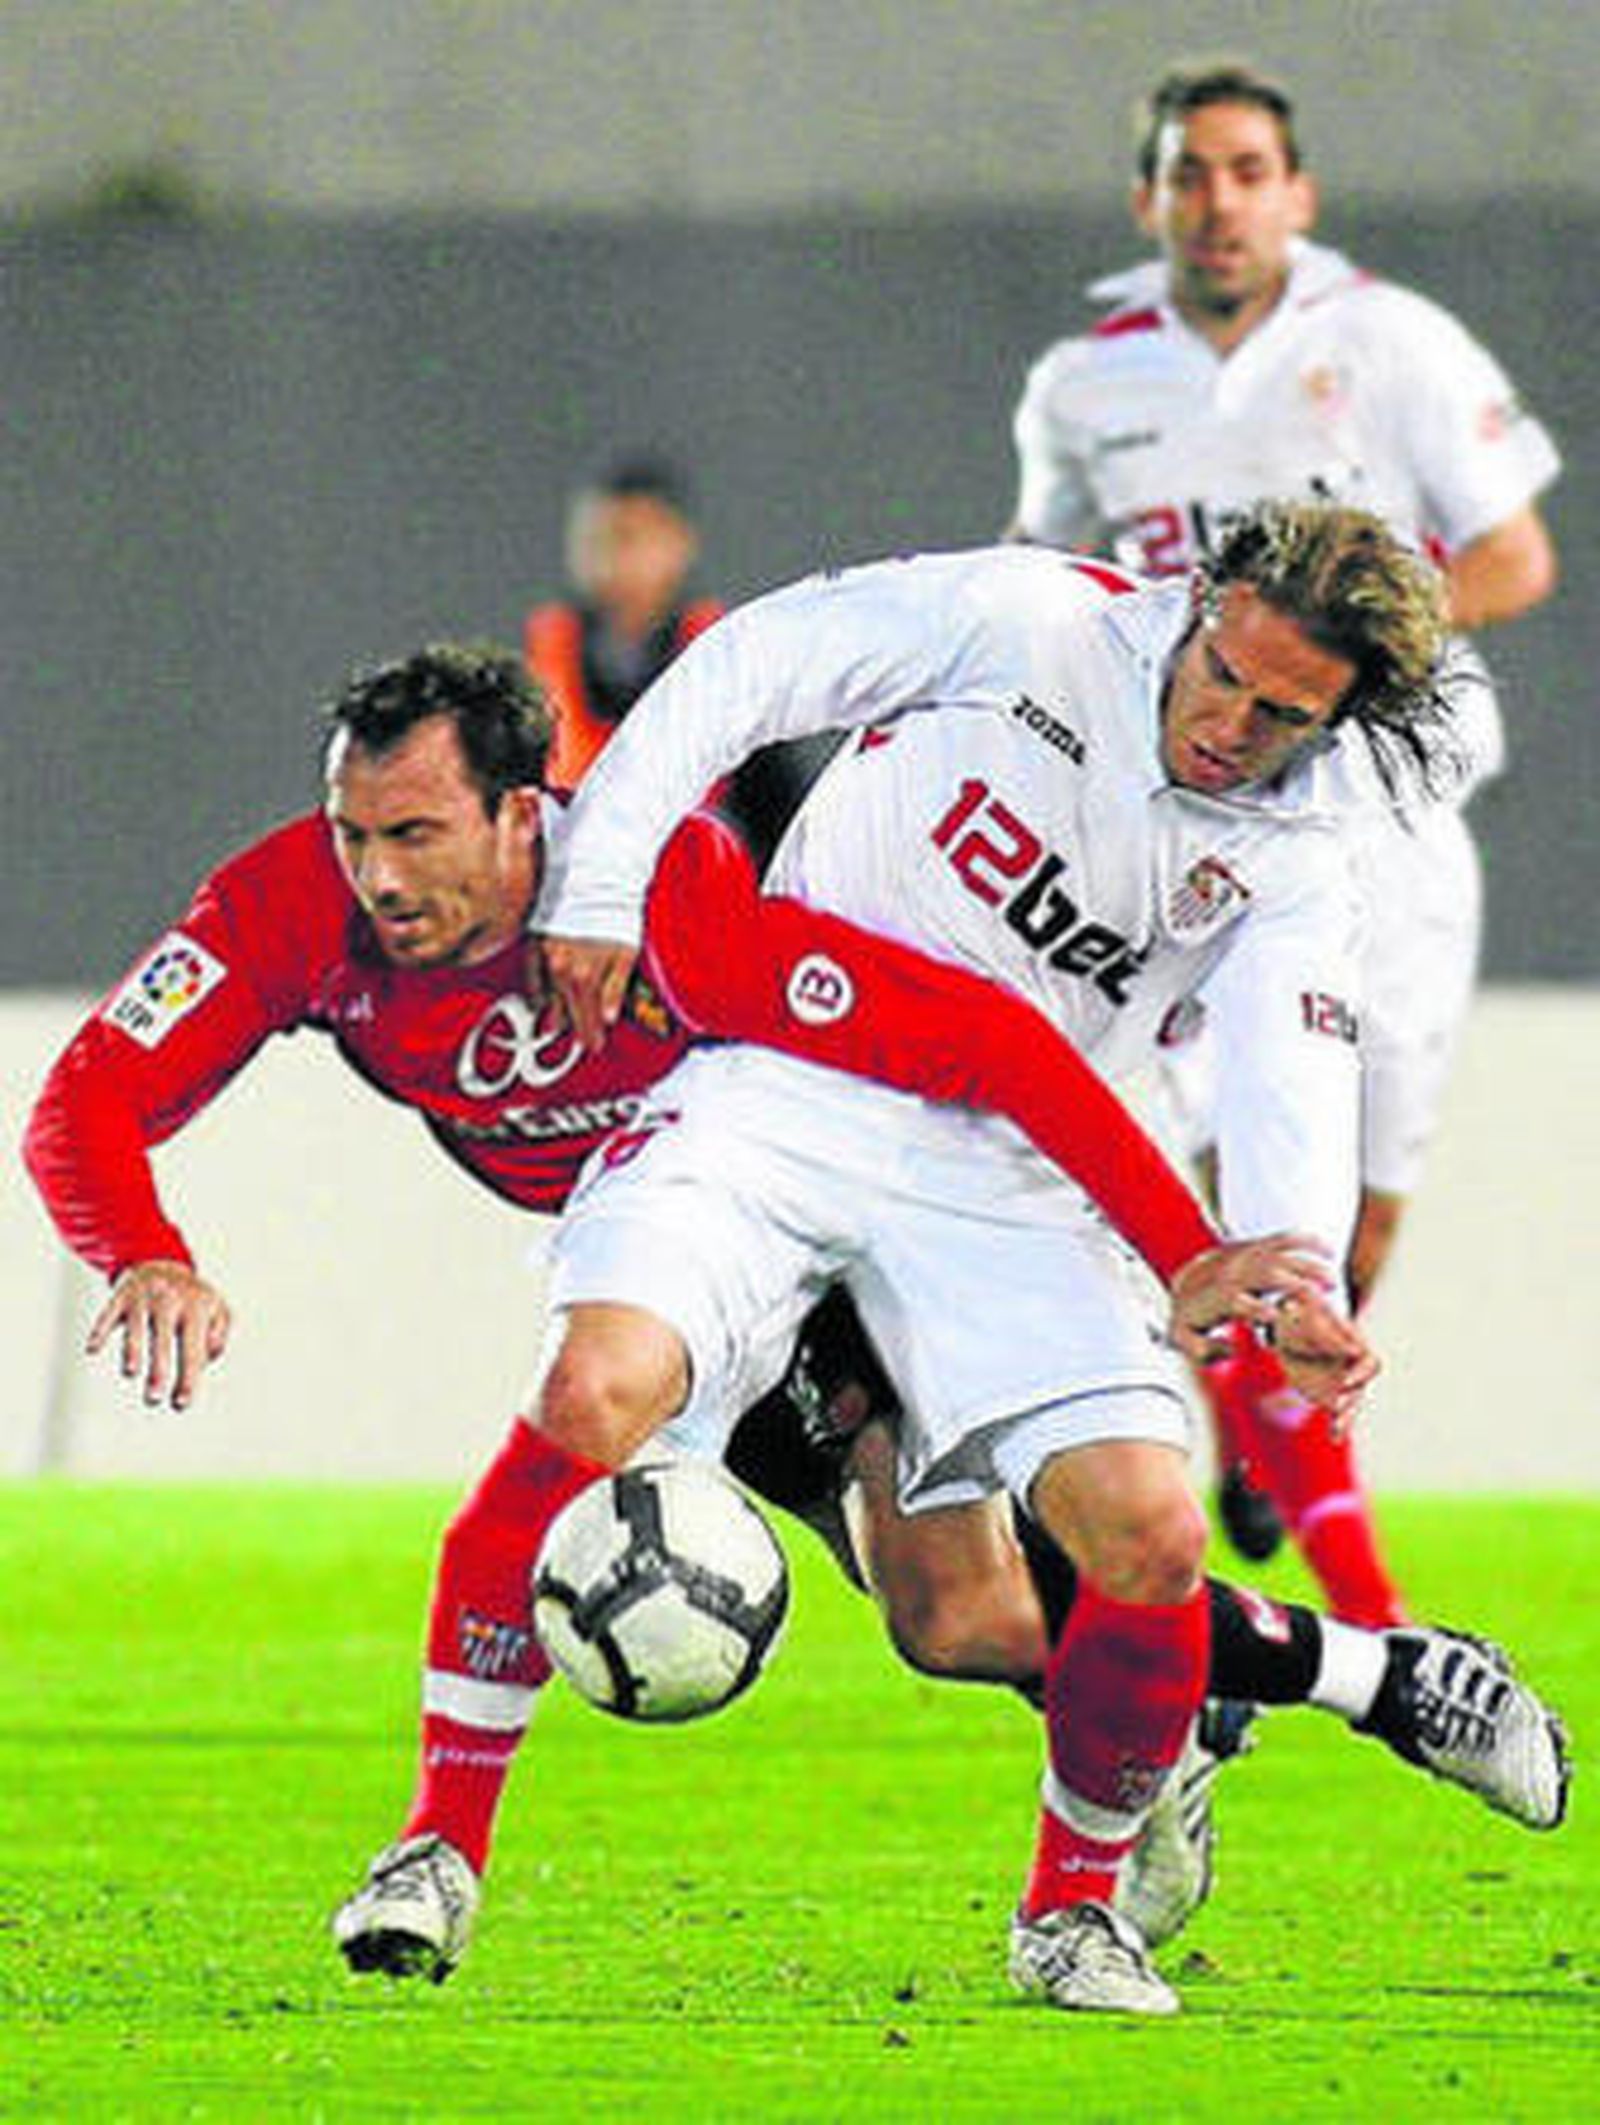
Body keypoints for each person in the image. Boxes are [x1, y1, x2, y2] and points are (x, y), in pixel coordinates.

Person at [23, 628, 1565, 2012]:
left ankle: (1356, 1684)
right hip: (688, 1259)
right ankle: (1307, 1688)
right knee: (941, 1612)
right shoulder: (291, 906)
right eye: (358, 832)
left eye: (417, 834)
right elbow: (87, 1099)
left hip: (832, 1215)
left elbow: (982, 1042)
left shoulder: (671, 901)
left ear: (525, 815)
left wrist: (1187, 1251)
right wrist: (144, 1247)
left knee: (985, 1579)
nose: (381, 876)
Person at [442, 498, 1561, 2018]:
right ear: (1203, 603)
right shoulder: (1030, 618)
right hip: (786, 1085)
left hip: (1015, 1169)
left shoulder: (1304, 846)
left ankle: (1077, 1907)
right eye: (1222, 672)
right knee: (637, 1404)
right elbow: (753, 666)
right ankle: (433, 1849)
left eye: (1285, 712)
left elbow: (1286, 1052)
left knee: (1093, 1563)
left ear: (1343, 717)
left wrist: (1290, 1269)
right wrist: (598, 886)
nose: (1231, 723)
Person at [1009, 59, 1562, 1615]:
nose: (1220, 201)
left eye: (1249, 171)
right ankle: (1368, 1610)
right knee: (1220, 1177)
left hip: (1390, 831)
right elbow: (1048, 578)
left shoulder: (1387, 342)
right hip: (1188, 834)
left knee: (1360, 1215)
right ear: (1150, 200)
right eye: (1190, 174)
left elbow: (1518, 552)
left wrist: (1343, 644)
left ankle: (1264, 1426)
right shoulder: (1086, 382)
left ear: (1296, 195)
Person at [525, 455, 723, 794]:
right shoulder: (549, 660)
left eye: (628, 539)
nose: (608, 560)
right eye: (593, 541)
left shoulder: (723, 657)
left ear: (678, 544)